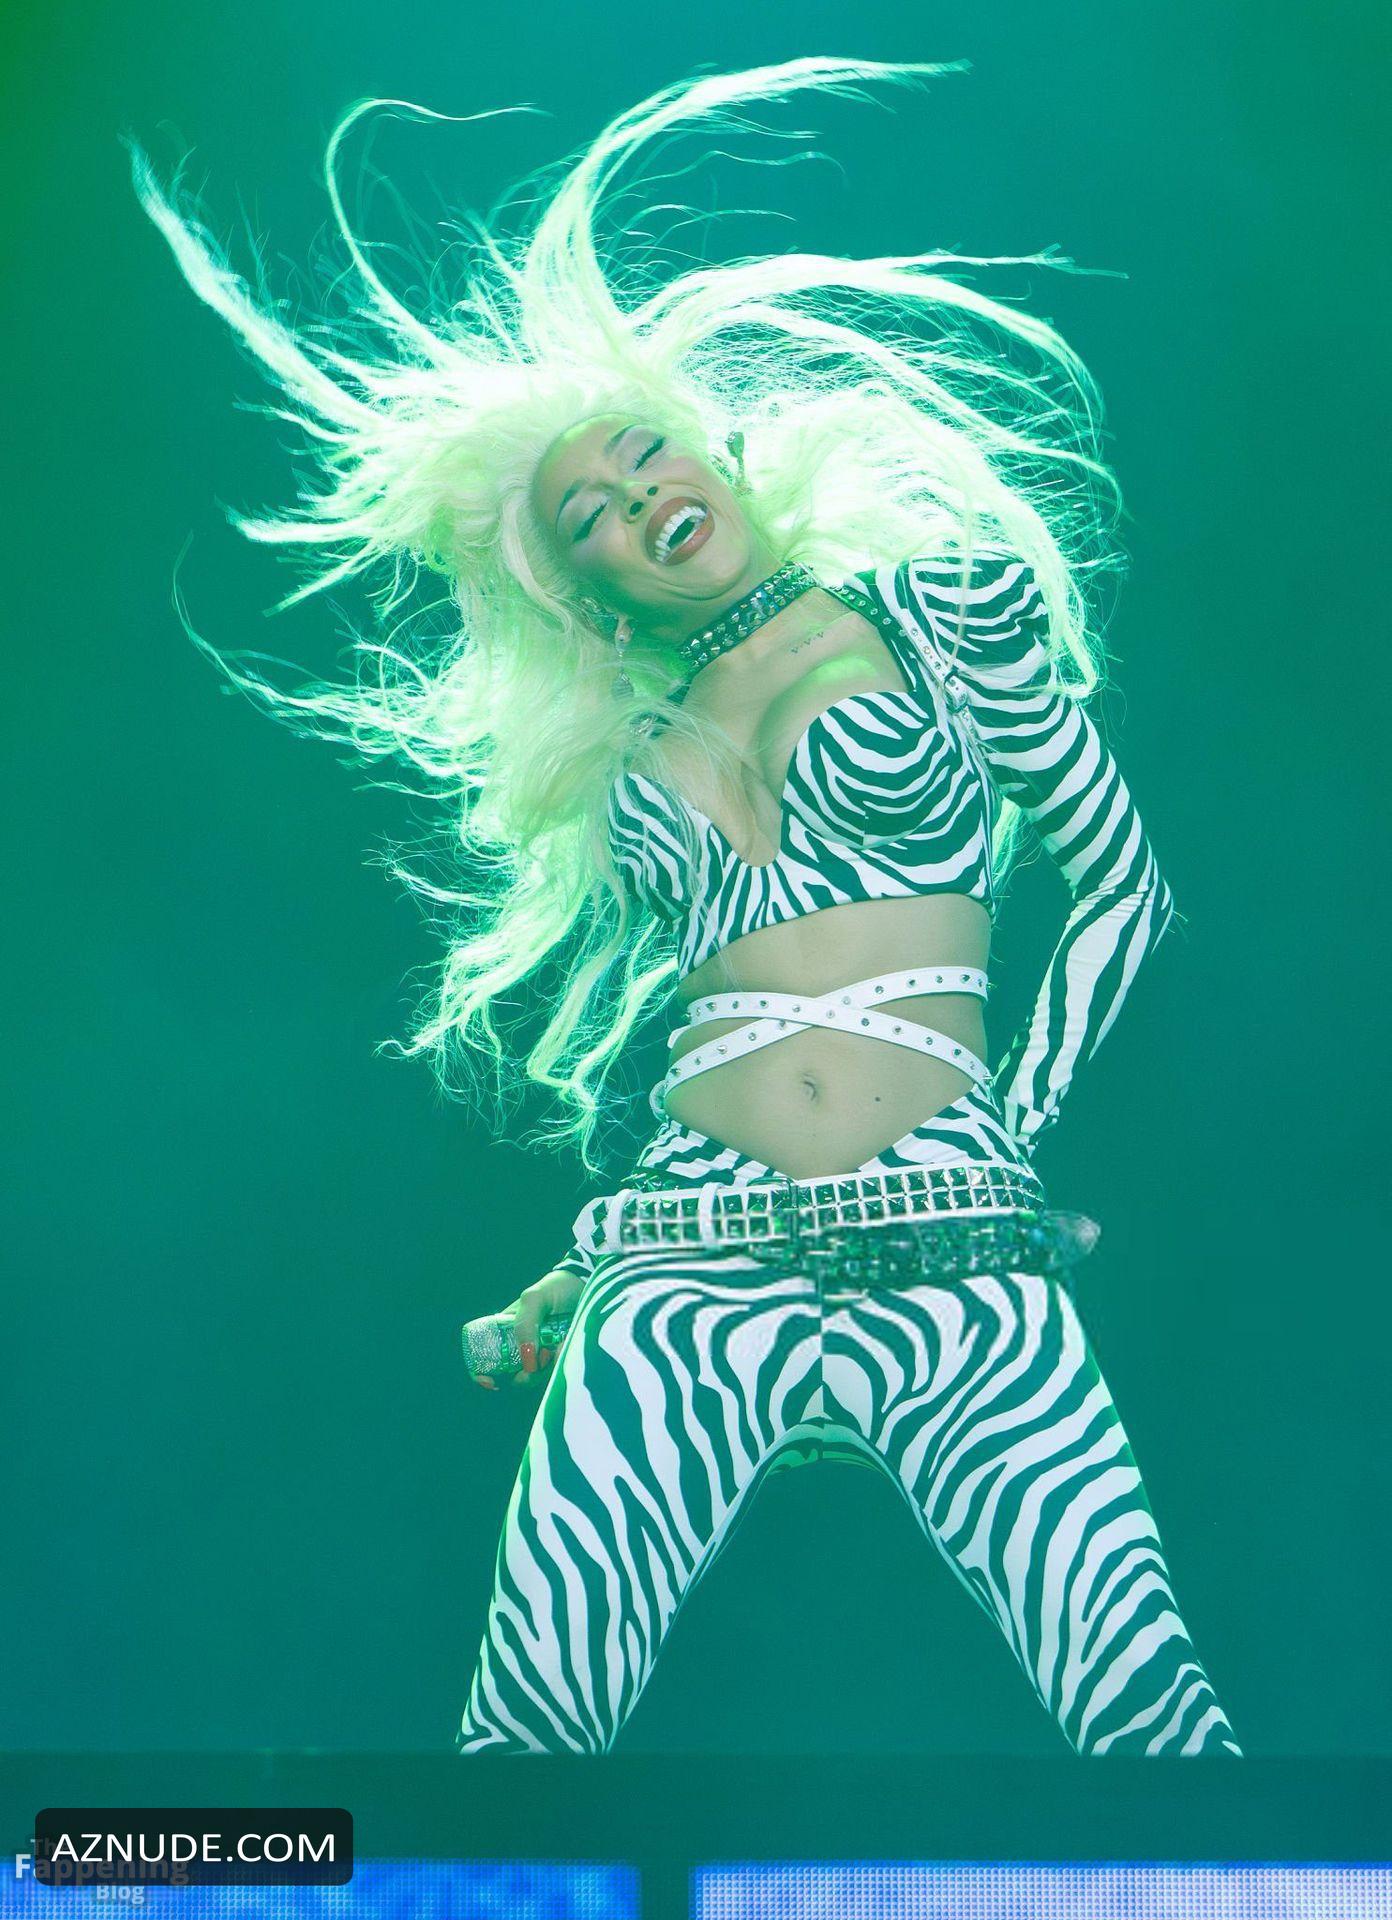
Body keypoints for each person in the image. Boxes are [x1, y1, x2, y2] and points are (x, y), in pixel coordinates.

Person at [129, 55, 1241, 1757]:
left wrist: (1008, 1128)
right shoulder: (633, 755)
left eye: (647, 458)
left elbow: (1126, 891)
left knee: (1147, 1713)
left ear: (713, 454)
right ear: (586, 591)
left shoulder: (942, 614)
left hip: (951, 1237)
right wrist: (582, 1269)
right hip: (685, 1263)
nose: (638, 498)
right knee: (525, 1732)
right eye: (589, 515)